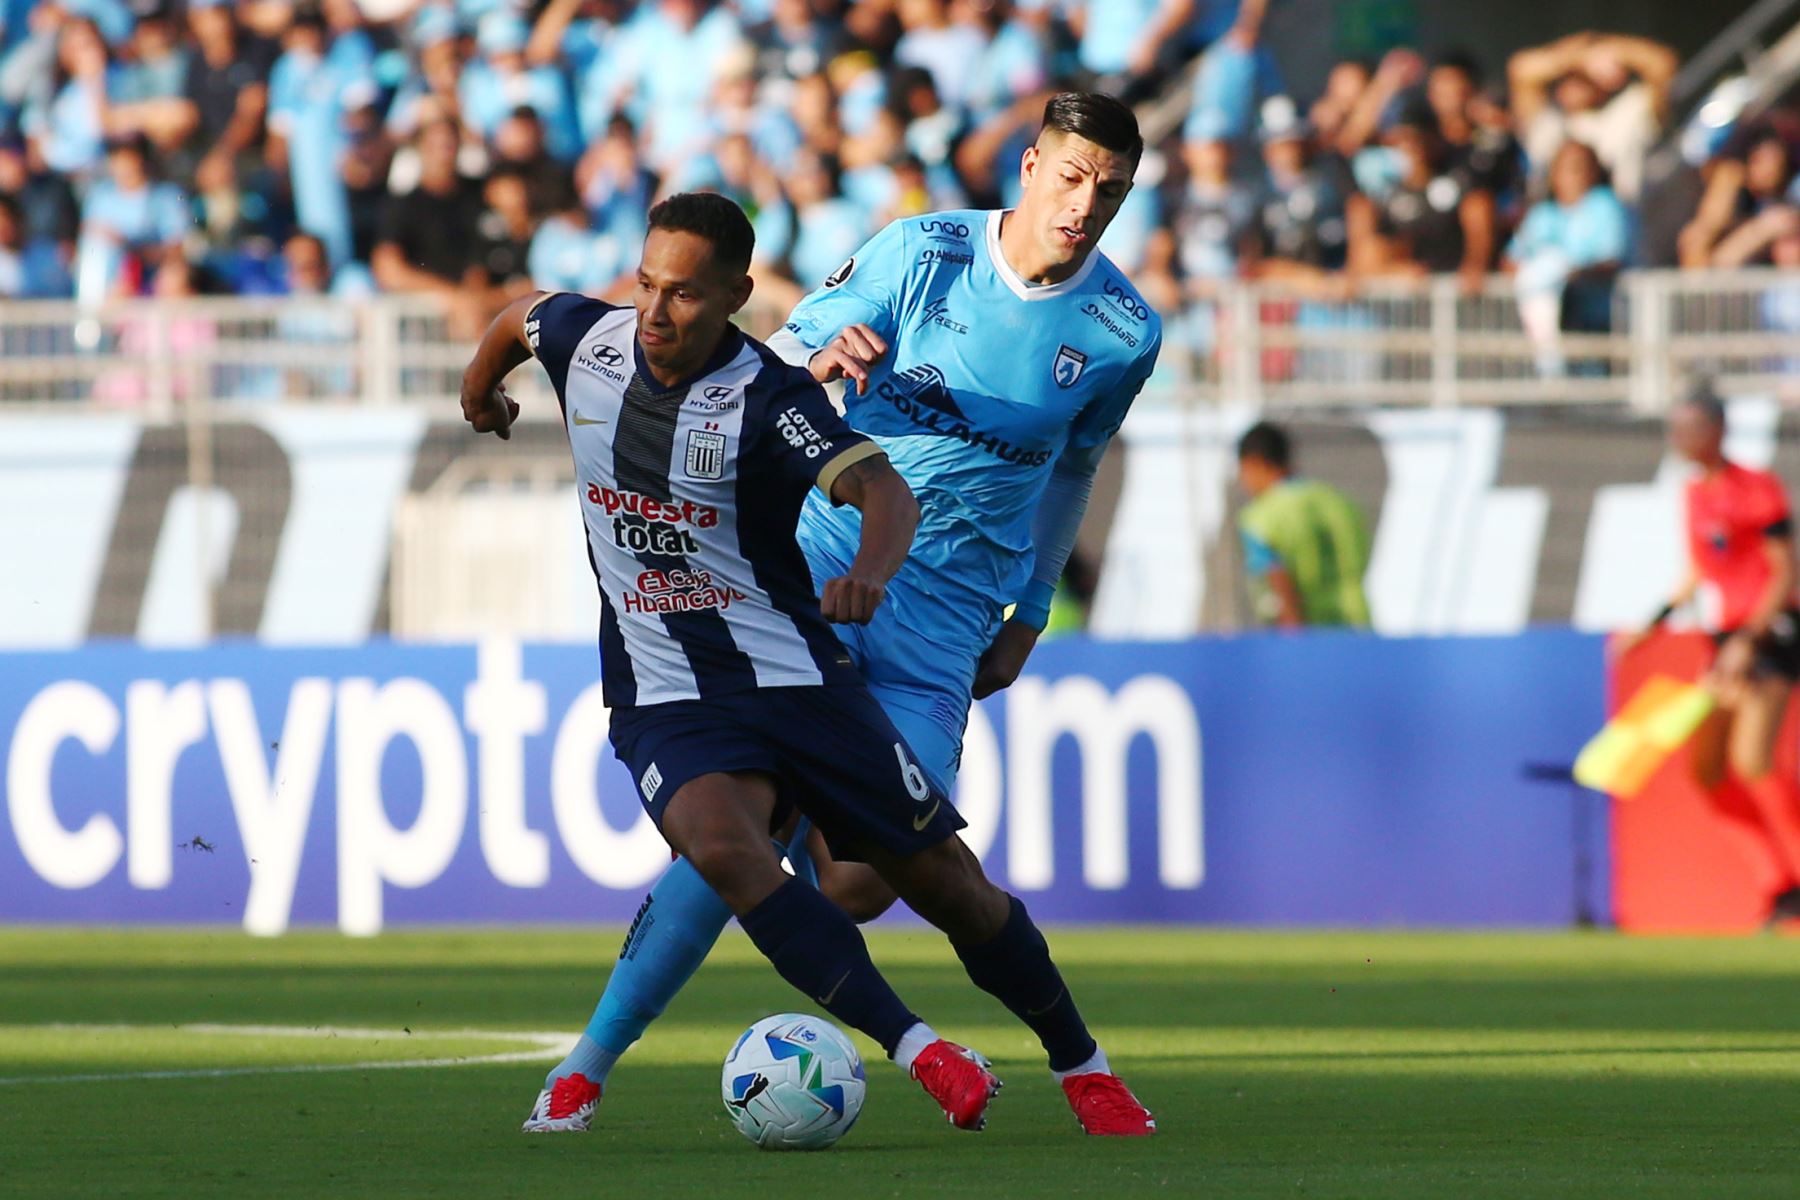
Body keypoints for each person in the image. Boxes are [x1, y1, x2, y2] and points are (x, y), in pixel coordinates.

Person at [527, 91, 1161, 1138]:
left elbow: (1075, 470)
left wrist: (1034, 609)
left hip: (945, 618)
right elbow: (763, 366)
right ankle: (585, 1067)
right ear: (1031, 166)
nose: (1085, 203)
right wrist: (820, 361)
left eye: (1111, 188)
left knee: (867, 880)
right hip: (809, 584)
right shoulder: (920, 254)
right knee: (736, 833)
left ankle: (1066, 1050)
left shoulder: (1123, 330)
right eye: (1071, 175)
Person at [1622, 383, 1800, 925]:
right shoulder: (1695, 495)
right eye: (1675, 428)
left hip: (1769, 636)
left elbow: (1783, 571)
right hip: (1724, 642)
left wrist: (1749, 638)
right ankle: (1777, 885)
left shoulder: (1757, 488)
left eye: (1690, 427)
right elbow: (1699, 572)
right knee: (1707, 771)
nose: (1680, 438)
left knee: (1753, 763)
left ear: (1718, 429)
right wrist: (1650, 623)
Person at [1234, 421, 1371, 628]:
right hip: (1357, 625)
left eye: (1242, 471)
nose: (1242, 480)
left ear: (1255, 463)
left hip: (1307, 636)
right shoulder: (1339, 502)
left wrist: (1294, 647)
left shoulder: (1260, 518)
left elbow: (1278, 582)